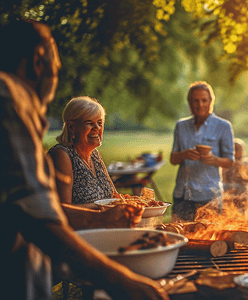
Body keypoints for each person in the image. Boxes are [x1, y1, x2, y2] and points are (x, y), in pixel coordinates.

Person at [0, 19, 168, 299]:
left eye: (99, 122)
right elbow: (41, 222)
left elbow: (36, 210)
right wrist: (122, 282)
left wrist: (115, 211)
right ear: (37, 62)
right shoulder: (9, 101)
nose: (54, 77)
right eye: (56, 69)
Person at [47, 96, 144, 228]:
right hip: (80, 235)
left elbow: (114, 196)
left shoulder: (94, 154)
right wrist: (107, 206)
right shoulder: (62, 155)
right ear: (71, 127)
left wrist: (136, 202)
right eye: (89, 122)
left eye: (100, 122)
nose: (97, 128)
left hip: (106, 230)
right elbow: (61, 210)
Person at [170, 81, 234, 221]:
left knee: (208, 238)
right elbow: (173, 159)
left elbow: (230, 161)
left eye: (204, 100)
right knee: (179, 236)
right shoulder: (181, 126)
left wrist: (215, 160)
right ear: (190, 102)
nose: (200, 105)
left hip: (209, 197)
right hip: (182, 195)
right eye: (196, 101)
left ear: (211, 101)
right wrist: (184, 154)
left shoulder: (223, 126)